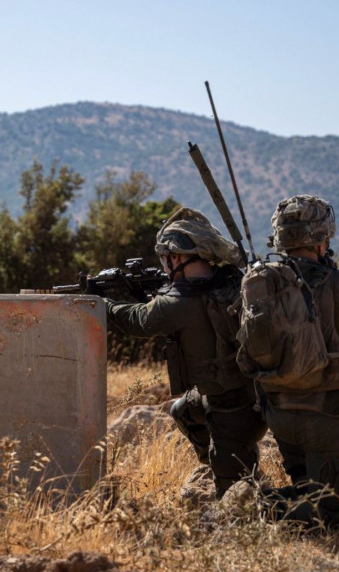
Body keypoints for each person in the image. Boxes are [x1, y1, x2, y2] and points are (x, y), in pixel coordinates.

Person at [104, 207, 267, 497]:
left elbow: (138, 320)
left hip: (231, 410)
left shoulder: (176, 304)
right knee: (184, 410)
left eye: (167, 258)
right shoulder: (234, 282)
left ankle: (241, 476)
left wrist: (104, 305)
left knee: (236, 499)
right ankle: (220, 465)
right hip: (251, 391)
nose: (165, 266)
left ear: (178, 257)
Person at [257, 194, 339, 528]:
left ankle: (298, 499)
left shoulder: (261, 283)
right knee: (333, 514)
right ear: (322, 241)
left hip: (280, 413)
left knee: (321, 490)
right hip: (331, 414)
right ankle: (255, 508)